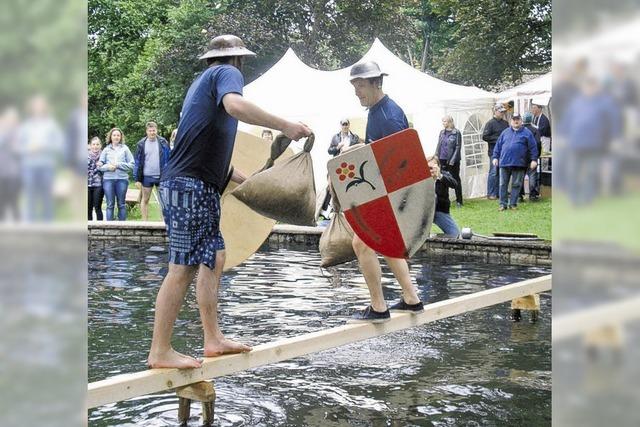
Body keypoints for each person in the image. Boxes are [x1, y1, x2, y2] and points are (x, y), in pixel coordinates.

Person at [147, 34, 311, 369]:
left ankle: (213, 339)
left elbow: (207, 152)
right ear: (238, 59)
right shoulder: (226, 74)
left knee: (214, 257)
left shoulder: (201, 84)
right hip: (189, 185)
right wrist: (285, 125)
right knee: (182, 267)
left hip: (194, 183)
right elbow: (236, 105)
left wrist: (248, 182)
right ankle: (160, 351)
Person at [346, 61, 423, 323]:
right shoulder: (378, 110)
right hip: (387, 191)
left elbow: (400, 163)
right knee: (386, 244)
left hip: (394, 193)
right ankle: (411, 298)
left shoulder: (388, 116)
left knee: (362, 242)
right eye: (354, 87)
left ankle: (378, 307)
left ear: (376, 83)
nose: (357, 92)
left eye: (361, 86)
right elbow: (379, 151)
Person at [17, 95, 63, 222]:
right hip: (29, 166)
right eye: (35, 105)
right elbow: (17, 146)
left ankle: (48, 224)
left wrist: (44, 146)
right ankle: (30, 224)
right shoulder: (25, 126)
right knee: (30, 195)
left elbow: (59, 144)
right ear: (31, 108)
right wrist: (28, 149)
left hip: (47, 165)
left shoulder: (51, 124)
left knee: (47, 195)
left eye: (40, 105)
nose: (38, 108)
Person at [492, 114, 538, 211]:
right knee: (503, 184)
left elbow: (533, 147)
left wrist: (534, 160)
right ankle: (502, 204)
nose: (516, 121)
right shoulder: (505, 132)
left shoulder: (527, 133)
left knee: (516, 184)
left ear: (521, 121)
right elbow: (498, 146)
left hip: (519, 163)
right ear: (510, 121)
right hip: (504, 162)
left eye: (517, 119)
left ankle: (513, 204)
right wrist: (495, 157)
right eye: (514, 119)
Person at [319, 119, 361, 219]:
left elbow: (358, 150)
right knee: (332, 187)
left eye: (346, 124)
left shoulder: (355, 137)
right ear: (340, 125)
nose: (345, 126)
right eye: (343, 124)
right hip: (338, 166)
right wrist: (338, 147)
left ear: (349, 125)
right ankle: (329, 210)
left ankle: (349, 210)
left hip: (350, 166)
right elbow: (330, 151)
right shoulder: (336, 137)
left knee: (350, 187)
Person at [134, 121, 171, 221]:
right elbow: (137, 162)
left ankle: (162, 223)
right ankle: (144, 222)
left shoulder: (163, 142)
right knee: (145, 200)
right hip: (146, 177)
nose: (152, 132)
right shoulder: (141, 144)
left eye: (154, 130)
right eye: (150, 131)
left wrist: (169, 174)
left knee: (163, 201)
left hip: (162, 176)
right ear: (146, 131)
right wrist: (137, 179)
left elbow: (169, 159)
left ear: (156, 130)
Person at [99, 127, 134, 220]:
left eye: (118, 135)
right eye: (114, 135)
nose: (116, 137)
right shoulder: (106, 150)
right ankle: (109, 229)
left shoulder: (125, 149)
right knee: (110, 204)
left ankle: (122, 228)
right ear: (111, 137)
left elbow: (132, 165)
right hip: (108, 180)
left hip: (122, 180)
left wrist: (118, 165)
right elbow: (99, 166)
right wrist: (108, 167)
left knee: (121, 204)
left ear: (121, 137)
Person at [428, 156, 460, 237]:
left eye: (433, 167)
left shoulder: (444, 175)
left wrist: (440, 176)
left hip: (440, 210)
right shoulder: (422, 177)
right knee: (419, 238)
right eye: (429, 167)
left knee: (454, 234)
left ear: (439, 167)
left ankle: (435, 238)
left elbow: (455, 184)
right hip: (425, 212)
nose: (431, 170)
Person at [434, 115, 463, 207]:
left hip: (452, 160)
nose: (443, 123)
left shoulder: (456, 132)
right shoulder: (442, 132)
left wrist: (453, 160)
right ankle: (442, 199)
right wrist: (436, 155)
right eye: (442, 121)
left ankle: (459, 200)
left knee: (455, 179)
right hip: (442, 159)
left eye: (445, 121)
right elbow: (439, 144)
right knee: (442, 178)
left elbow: (458, 147)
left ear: (450, 122)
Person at [482, 104, 509, 200]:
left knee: (502, 172)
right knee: (493, 172)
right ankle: (491, 193)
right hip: (493, 152)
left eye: (503, 112)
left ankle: (499, 192)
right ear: (495, 111)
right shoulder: (490, 123)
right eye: (500, 111)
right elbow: (485, 137)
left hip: (504, 152)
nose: (502, 113)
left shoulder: (505, 123)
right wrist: (499, 139)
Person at [0, 107, 21, 221]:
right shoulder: (2, 132)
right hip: (2, 171)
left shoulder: (19, 132)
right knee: (1, 199)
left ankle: (17, 223)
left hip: (14, 172)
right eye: (8, 119)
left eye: (12, 119)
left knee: (13, 199)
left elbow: (18, 150)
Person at [522, 112, 542, 201]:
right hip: (532, 156)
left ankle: (519, 194)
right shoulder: (535, 130)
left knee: (520, 175)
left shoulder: (520, 130)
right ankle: (533, 194)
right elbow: (538, 143)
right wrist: (537, 155)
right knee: (532, 175)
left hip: (521, 157)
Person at [88, 137, 104, 220]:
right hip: (87, 184)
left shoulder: (103, 156)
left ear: (100, 146)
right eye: (93, 144)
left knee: (97, 207)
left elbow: (104, 170)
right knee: (88, 208)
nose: (95, 146)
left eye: (97, 144)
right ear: (90, 146)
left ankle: (101, 229)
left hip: (98, 185)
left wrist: (101, 167)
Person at [531, 103, 551, 171]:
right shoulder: (534, 118)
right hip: (537, 139)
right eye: (532, 108)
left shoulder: (544, 119)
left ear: (539, 108)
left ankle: (544, 171)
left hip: (544, 139)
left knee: (544, 156)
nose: (533, 109)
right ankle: (538, 170)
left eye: (534, 108)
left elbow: (542, 130)